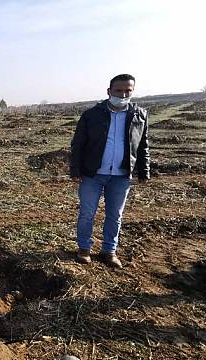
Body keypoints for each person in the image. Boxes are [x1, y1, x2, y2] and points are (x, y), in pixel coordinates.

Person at [70, 74, 150, 269]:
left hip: (121, 176)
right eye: (118, 90)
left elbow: (143, 145)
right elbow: (78, 143)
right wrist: (76, 169)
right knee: (87, 213)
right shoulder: (92, 115)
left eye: (127, 91)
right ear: (109, 91)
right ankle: (84, 249)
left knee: (115, 215)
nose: (123, 94)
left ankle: (109, 250)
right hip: (93, 173)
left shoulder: (140, 115)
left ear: (132, 91)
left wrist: (144, 170)